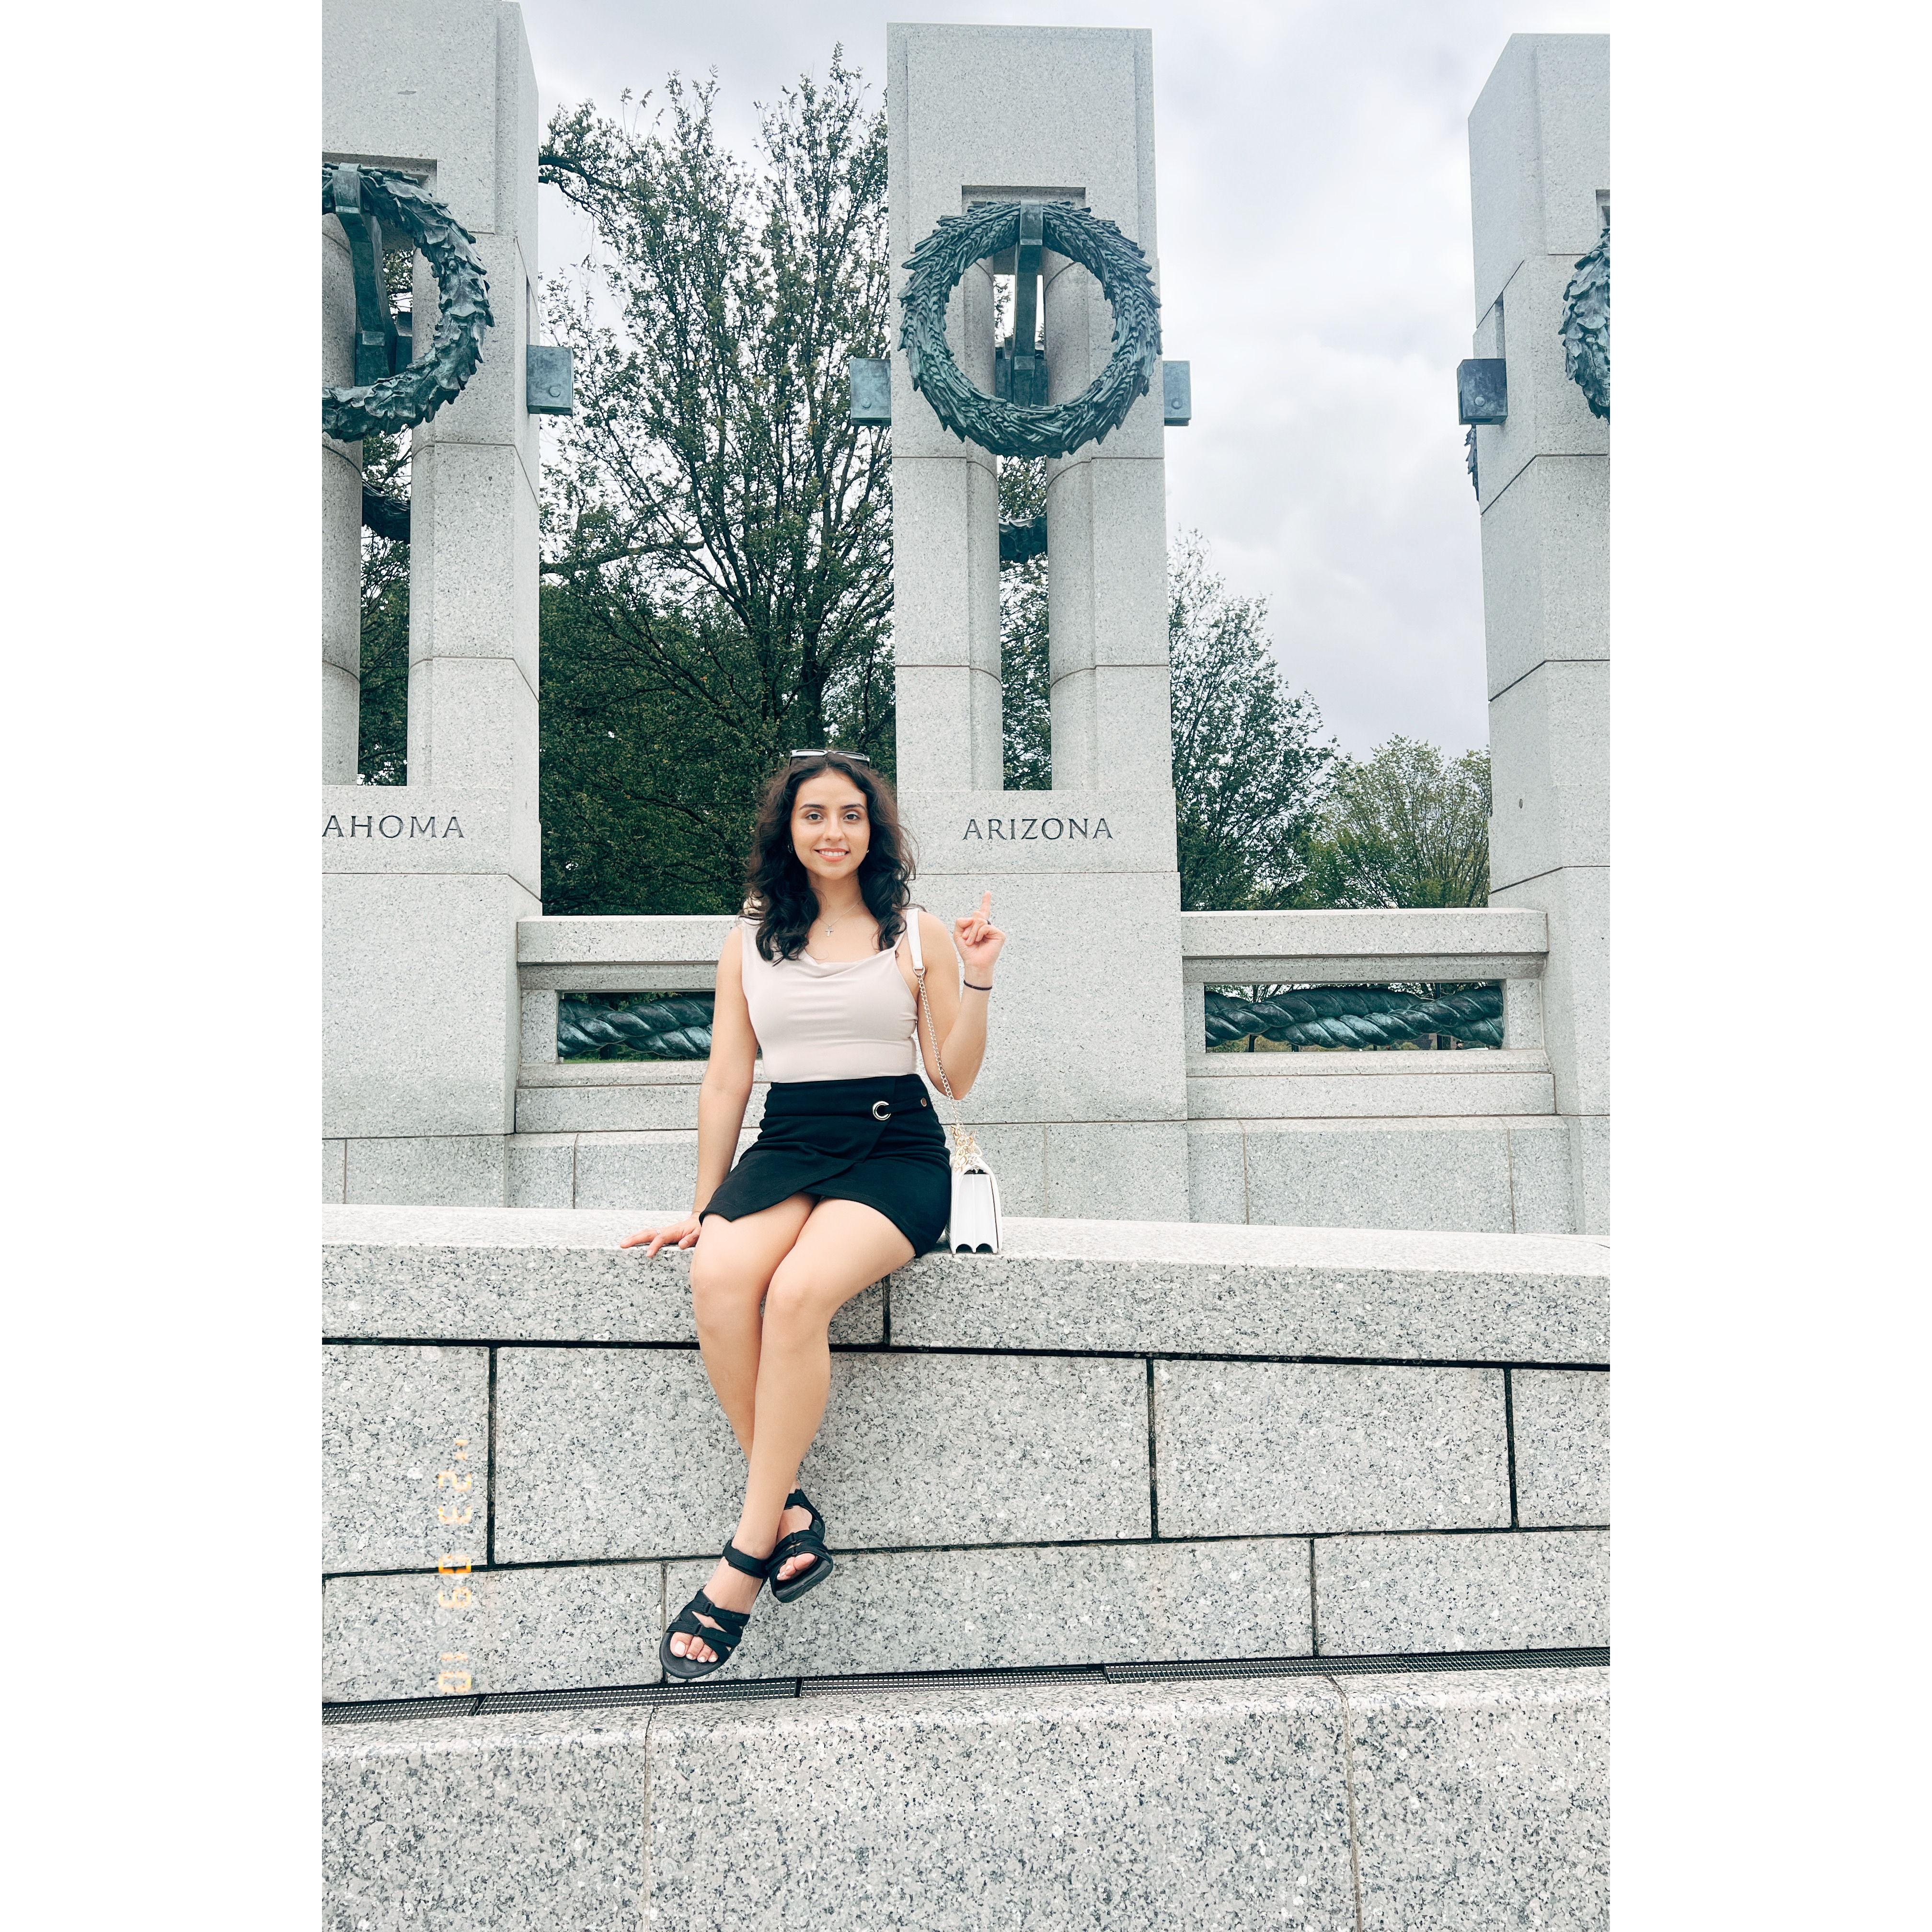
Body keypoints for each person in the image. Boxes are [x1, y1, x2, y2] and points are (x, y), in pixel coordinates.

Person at [621, 750, 1005, 1679]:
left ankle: (746, 1555)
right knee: (719, 1271)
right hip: (790, 1141)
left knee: (796, 1296)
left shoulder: (916, 933)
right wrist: (708, 1204)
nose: (834, 832)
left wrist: (979, 978)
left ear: (875, 830)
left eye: (851, 815)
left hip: (893, 1147)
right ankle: (791, 1505)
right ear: (787, 830)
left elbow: (952, 1077)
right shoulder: (750, 939)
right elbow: (727, 1079)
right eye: (814, 815)